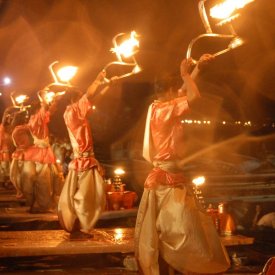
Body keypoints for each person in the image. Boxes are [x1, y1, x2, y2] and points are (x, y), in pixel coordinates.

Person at [134, 55, 230, 274]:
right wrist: (186, 74)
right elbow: (193, 94)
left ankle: (175, 268)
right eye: (175, 88)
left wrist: (198, 69)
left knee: (176, 231)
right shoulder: (163, 110)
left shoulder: (161, 106)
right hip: (167, 181)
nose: (179, 90)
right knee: (178, 232)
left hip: (171, 176)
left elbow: (183, 93)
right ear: (168, 91)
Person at [58, 70, 110, 238]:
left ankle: (80, 224)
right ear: (76, 99)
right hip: (84, 160)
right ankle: (83, 227)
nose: (85, 100)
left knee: (87, 193)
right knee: (88, 195)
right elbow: (89, 94)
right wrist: (98, 78)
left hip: (83, 159)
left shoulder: (72, 111)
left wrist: (108, 85)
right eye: (81, 97)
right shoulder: (74, 110)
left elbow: (92, 100)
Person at [16, 92, 64, 213]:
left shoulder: (37, 119)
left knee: (49, 178)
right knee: (43, 181)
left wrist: (55, 100)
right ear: (38, 109)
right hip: (40, 153)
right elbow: (45, 109)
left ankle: (40, 204)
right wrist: (43, 97)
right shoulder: (37, 119)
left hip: (41, 152)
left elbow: (50, 111)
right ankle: (41, 205)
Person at [0, 106, 16, 187]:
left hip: (11, 152)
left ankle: (8, 182)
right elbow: (3, 122)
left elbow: (13, 122)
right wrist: (6, 111)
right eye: (9, 119)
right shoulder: (2, 129)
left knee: (10, 168)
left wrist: (15, 115)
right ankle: (3, 182)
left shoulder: (11, 130)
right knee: (4, 167)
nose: (10, 120)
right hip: (4, 152)